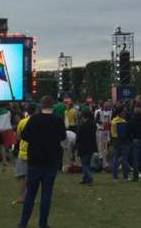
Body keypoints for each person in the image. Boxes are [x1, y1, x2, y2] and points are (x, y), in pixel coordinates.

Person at [18, 96, 67, 228]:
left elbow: (24, 136)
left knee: (30, 194)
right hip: (51, 161)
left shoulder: (34, 119)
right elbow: (63, 136)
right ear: (53, 106)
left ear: (41, 105)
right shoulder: (57, 120)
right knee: (46, 194)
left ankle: (23, 223)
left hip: (34, 161)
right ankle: (43, 223)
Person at [76, 111, 97, 185]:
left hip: (83, 146)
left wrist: (76, 144)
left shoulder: (82, 125)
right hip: (91, 146)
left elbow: (78, 136)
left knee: (84, 164)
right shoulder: (93, 125)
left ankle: (89, 177)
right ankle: (85, 179)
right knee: (88, 163)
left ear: (84, 117)